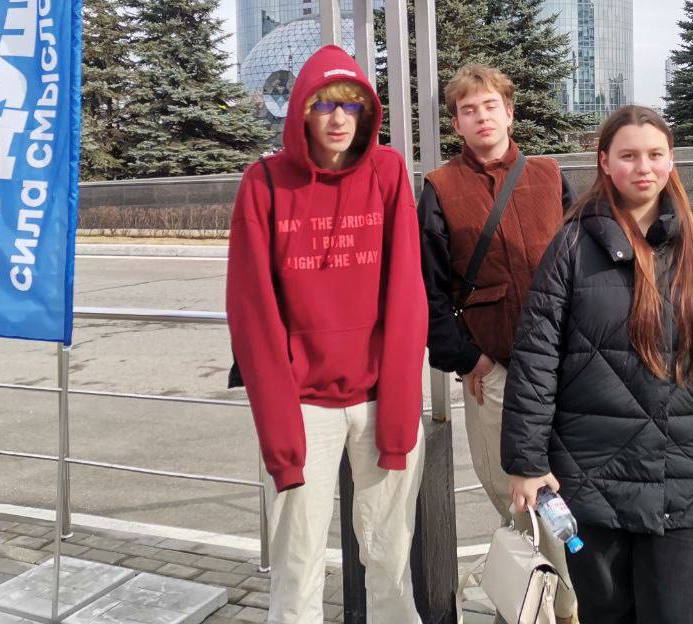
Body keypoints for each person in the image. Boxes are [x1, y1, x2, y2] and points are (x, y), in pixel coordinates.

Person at [502, 105, 693, 624]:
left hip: (687, 473)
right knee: (607, 613)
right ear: (604, 162)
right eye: (628, 155)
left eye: (654, 154)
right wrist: (527, 463)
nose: (642, 167)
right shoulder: (572, 244)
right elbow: (536, 357)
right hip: (592, 475)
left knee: (680, 612)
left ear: (671, 161)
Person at [227, 45, 428, 624]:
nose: (339, 118)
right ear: (301, 112)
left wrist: (400, 408)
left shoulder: (387, 172)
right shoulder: (264, 183)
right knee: (297, 563)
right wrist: (279, 430)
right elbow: (252, 311)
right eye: (323, 105)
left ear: (366, 113)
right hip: (303, 404)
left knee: (391, 559)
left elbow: (406, 293)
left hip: (378, 397)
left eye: (351, 105)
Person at [419, 64, 578, 622]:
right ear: (456, 124)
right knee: (516, 496)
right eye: (469, 110)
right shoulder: (440, 188)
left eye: (490, 106)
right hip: (496, 371)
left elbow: (584, 262)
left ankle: (567, 605)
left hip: (566, 366)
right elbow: (426, 289)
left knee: (568, 492)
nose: (481, 117)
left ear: (509, 113)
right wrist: (469, 358)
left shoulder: (549, 175)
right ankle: (549, 604)